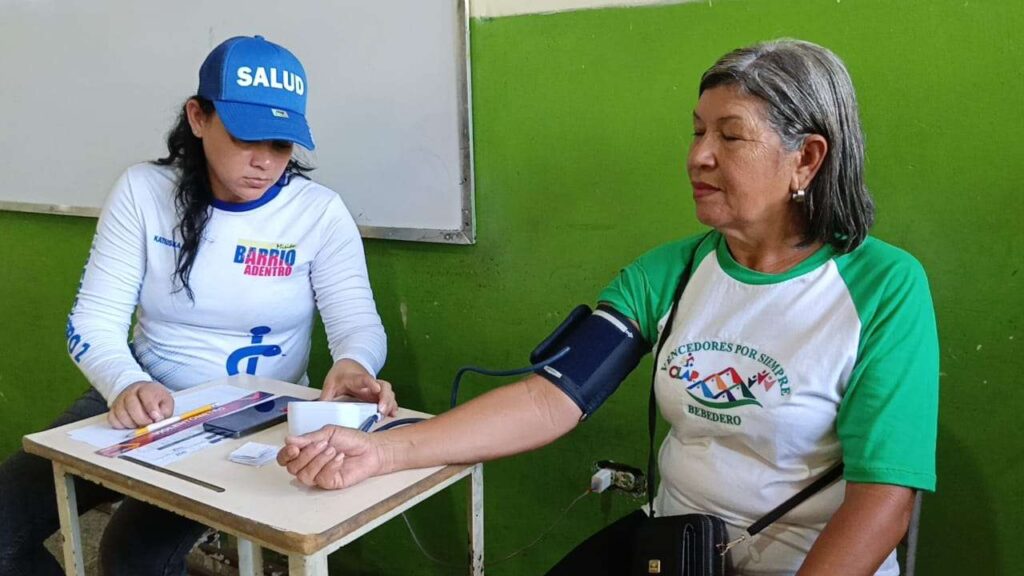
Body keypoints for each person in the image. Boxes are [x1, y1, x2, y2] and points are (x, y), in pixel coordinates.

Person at [276, 39, 938, 576]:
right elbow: (551, 398)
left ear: (807, 158)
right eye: (698, 131)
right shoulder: (672, 270)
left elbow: (885, 497)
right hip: (679, 546)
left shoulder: (884, 287)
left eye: (730, 137)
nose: (697, 156)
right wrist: (384, 451)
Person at [0, 35, 396, 576]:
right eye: (245, 137)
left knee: (131, 554)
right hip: (144, 397)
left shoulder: (319, 213)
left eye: (281, 144)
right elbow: (93, 322)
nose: (264, 161)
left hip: (257, 415)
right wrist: (125, 383)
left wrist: (355, 364)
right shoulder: (143, 192)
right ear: (198, 116)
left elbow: (358, 323)